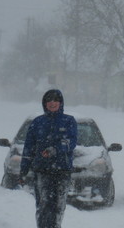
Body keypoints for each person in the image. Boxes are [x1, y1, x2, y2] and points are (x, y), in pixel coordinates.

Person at [20, 89, 78, 228]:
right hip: (42, 170)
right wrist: (24, 169)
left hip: (62, 171)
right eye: (49, 100)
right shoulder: (37, 122)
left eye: (55, 100)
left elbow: (71, 142)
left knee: (58, 207)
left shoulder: (69, 121)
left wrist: (56, 149)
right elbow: (28, 148)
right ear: (45, 104)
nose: (52, 103)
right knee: (43, 205)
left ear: (60, 103)